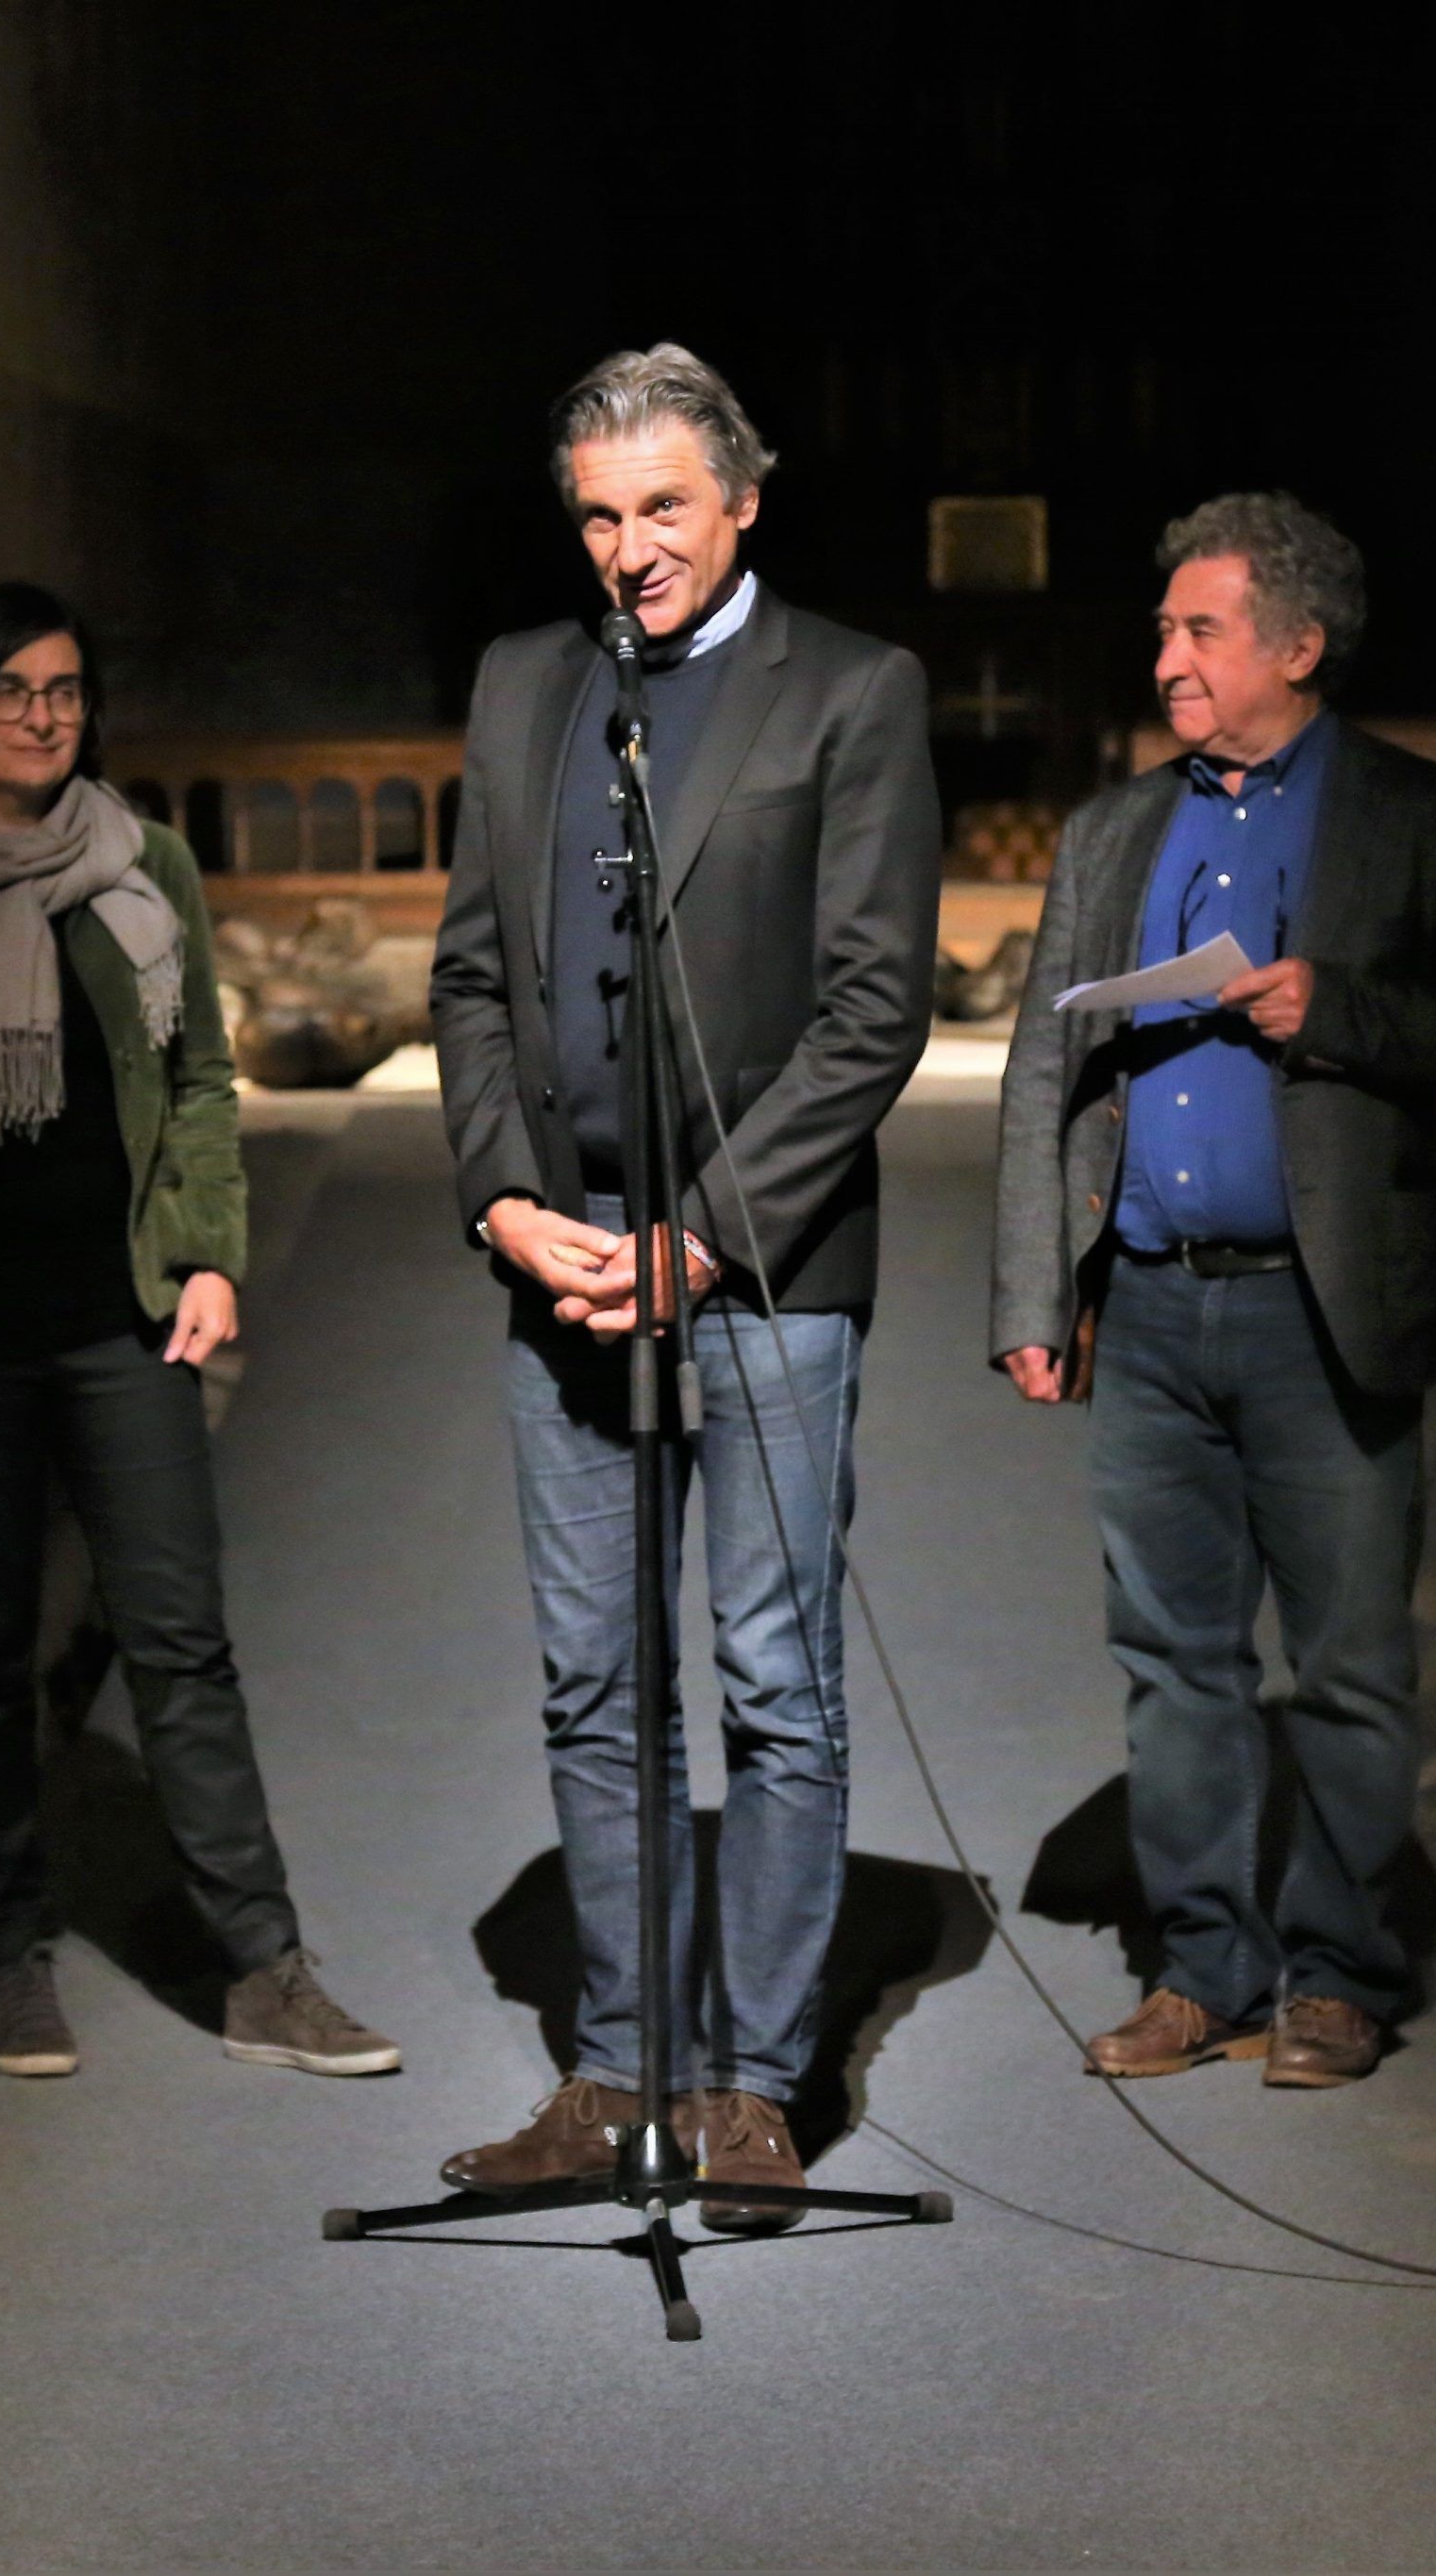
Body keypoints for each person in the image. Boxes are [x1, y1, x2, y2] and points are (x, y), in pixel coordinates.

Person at [427, 346, 942, 2226]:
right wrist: (501, 1198)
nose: (628, 546)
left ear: (742, 496)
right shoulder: (522, 688)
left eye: (661, 506)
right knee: (592, 1683)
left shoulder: (857, 689)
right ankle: (616, 2062)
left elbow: (878, 1005)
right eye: (597, 512)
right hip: (561, 1267)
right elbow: (475, 978)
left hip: (763, 1273)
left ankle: (753, 2083)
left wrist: (703, 1234)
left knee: (774, 1681)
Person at [990, 494, 1436, 2089]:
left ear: (1297, 648)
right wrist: (1035, 1296)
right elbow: (1047, 1062)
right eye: (1166, 630)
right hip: (1155, 1310)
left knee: (1350, 1661)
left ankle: (1335, 1972)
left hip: (1329, 1307)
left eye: (1201, 631)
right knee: (1172, 1659)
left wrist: (1341, 1008)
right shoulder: (1112, 830)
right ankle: (1200, 1970)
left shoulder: (1410, 815)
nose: (1166, 657)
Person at [0, 580, 396, 2084]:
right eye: (11, 691)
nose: (41, 716)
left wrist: (207, 1256)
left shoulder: (153, 872)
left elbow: (199, 1075)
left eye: (64, 692)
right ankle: (10, 1957)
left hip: (123, 1319)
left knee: (180, 1644)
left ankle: (263, 1969)